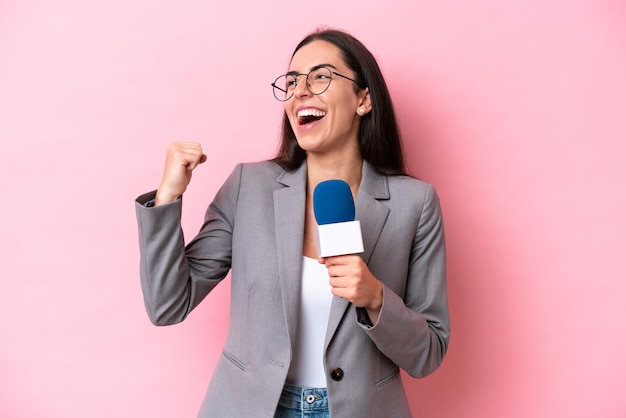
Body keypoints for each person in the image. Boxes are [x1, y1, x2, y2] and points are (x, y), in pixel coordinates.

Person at [135, 28, 450, 418]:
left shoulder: (414, 204)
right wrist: (167, 198)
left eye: (320, 76)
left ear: (363, 99)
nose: (300, 91)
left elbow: (428, 354)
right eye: (292, 81)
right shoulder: (248, 187)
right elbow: (167, 304)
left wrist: (375, 297)